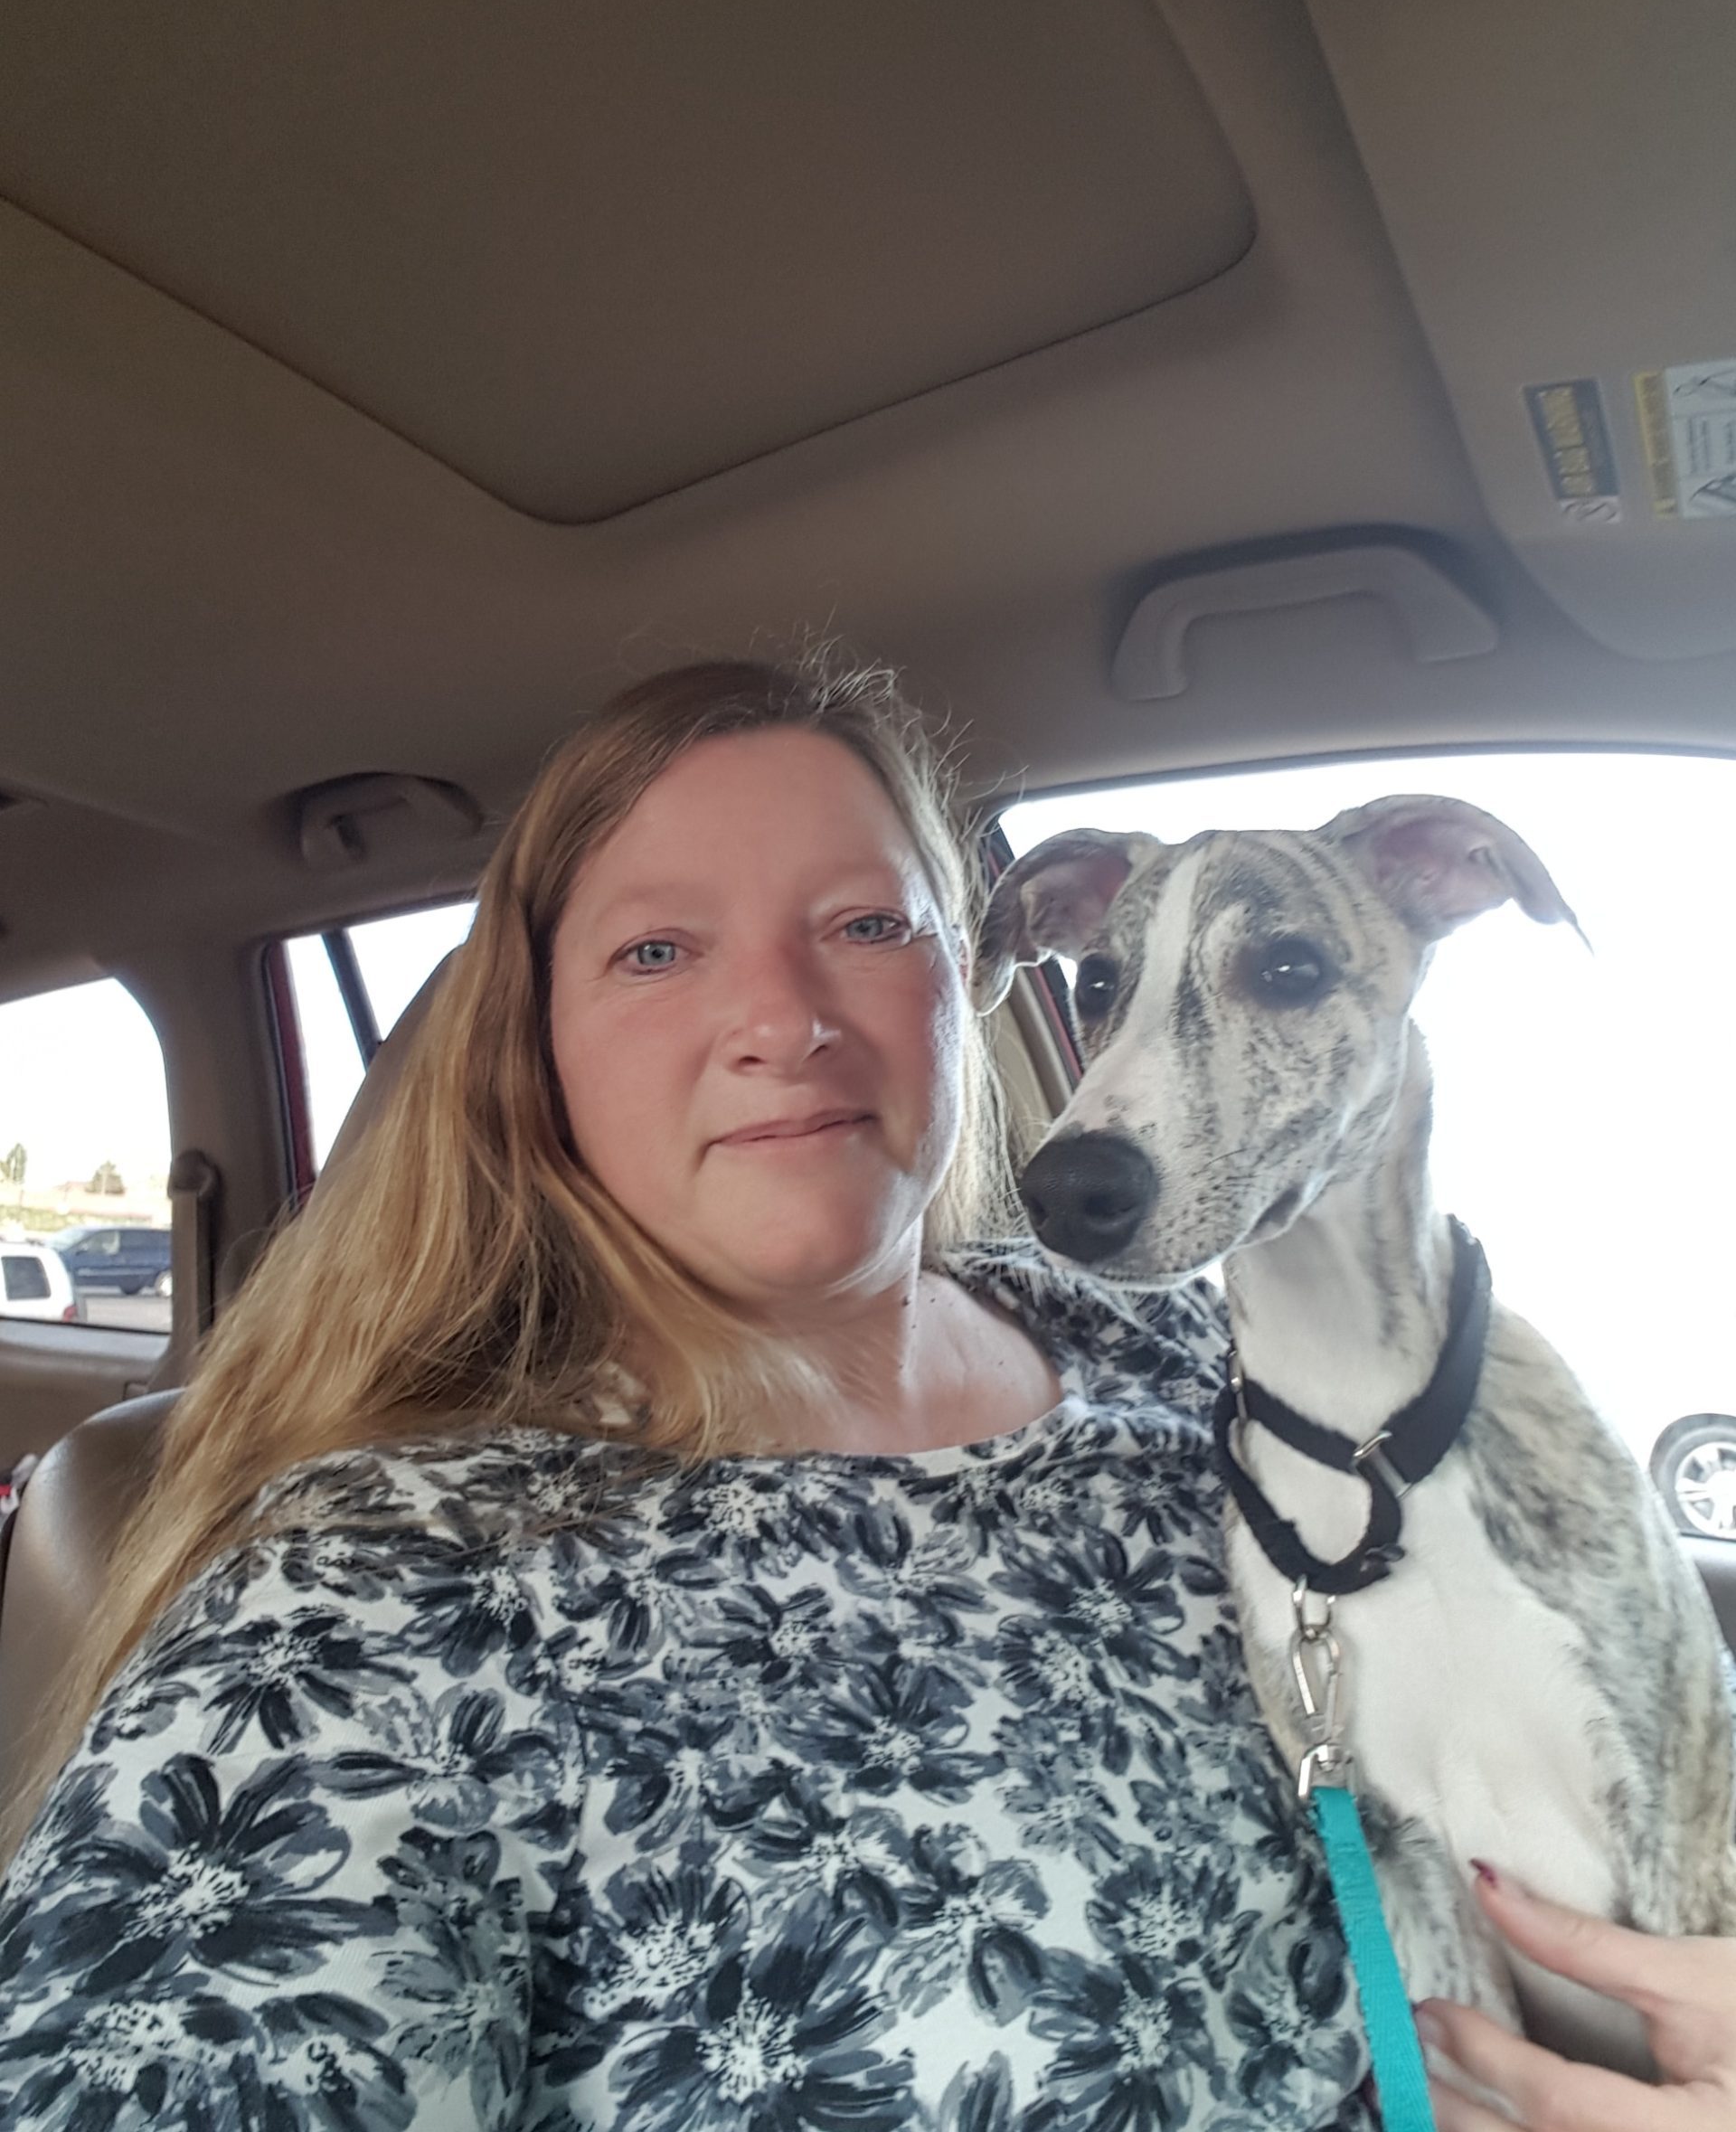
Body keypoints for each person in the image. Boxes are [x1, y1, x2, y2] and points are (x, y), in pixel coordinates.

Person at [0, 655, 1730, 2130]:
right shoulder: (380, 1593)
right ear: (530, 1047)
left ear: (962, 993)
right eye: (658, 952)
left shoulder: (1181, 1346)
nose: (784, 1016)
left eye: (865, 923)